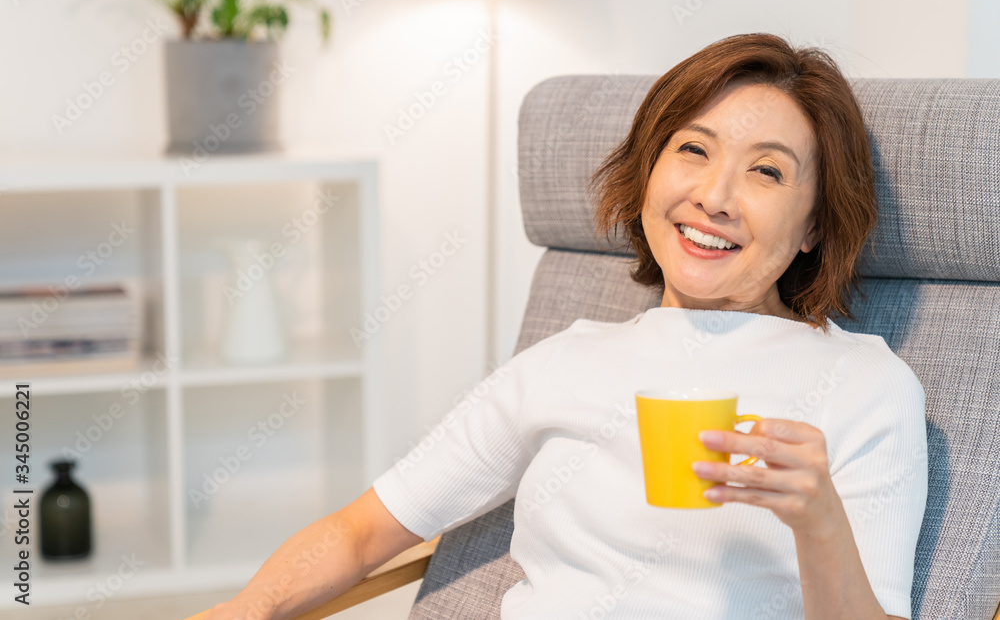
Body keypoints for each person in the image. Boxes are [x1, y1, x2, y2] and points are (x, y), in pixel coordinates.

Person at [205, 33, 928, 620]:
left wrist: (819, 522)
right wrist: (246, 607)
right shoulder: (563, 363)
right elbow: (364, 531)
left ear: (813, 227)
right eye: (693, 150)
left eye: (767, 173)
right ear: (649, 173)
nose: (715, 196)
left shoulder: (864, 385)